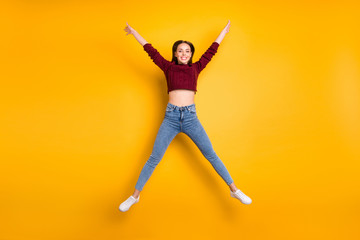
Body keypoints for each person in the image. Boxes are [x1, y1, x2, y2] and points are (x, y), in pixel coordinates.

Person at [119, 20, 252, 212]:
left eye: (187, 51)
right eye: (180, 51)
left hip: (190, 118)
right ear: (175, 53)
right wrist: (133, 32)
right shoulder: (167, 67)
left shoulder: (196, 68)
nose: (183, 54)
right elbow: (150, 50)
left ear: (191, 55)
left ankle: (234, 190)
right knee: (154, 158)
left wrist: (223, 32)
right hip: (171, 118)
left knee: (211, 154)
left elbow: (212, 51)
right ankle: (134, 196)